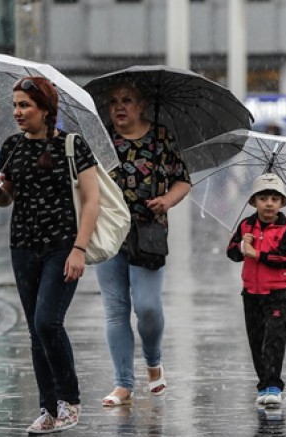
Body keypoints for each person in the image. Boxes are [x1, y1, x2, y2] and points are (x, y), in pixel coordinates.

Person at [0, 76, 98, 433]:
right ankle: (48, 408)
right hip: (22, 248)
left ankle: (70, 401)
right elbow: (8, 199)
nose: (17, 112)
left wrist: (79, 249)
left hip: (61, 247)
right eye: (15, 105)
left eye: (25, 106)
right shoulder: (12, 146)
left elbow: (91, 200)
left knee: (48, 322)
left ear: (45, 109)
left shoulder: (72, 146)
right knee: (35, 331)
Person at [95, 82, 191, 406]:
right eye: (112, 102)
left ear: (142, 106)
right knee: (116, 310)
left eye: (126, 101)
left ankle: (153, 361)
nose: (119, 107)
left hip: (149, 233)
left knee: (147, 306)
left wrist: (167, 200)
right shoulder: (101, 139)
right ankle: (123, 384)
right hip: (108, 233)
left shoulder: (161, 136)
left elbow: (183, 179)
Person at [226, 173, 286, 407]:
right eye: (263, 198)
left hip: (276, 294)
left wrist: (258, 254)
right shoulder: (246, 225)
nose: (269, 203)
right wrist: (241, 244)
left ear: (282, 203)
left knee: (273, 340)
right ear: (253, 201)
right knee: (256, 340)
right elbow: (232, 253)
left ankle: (274, 385)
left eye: (275, 199)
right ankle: (263, 385)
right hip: (251, 294)